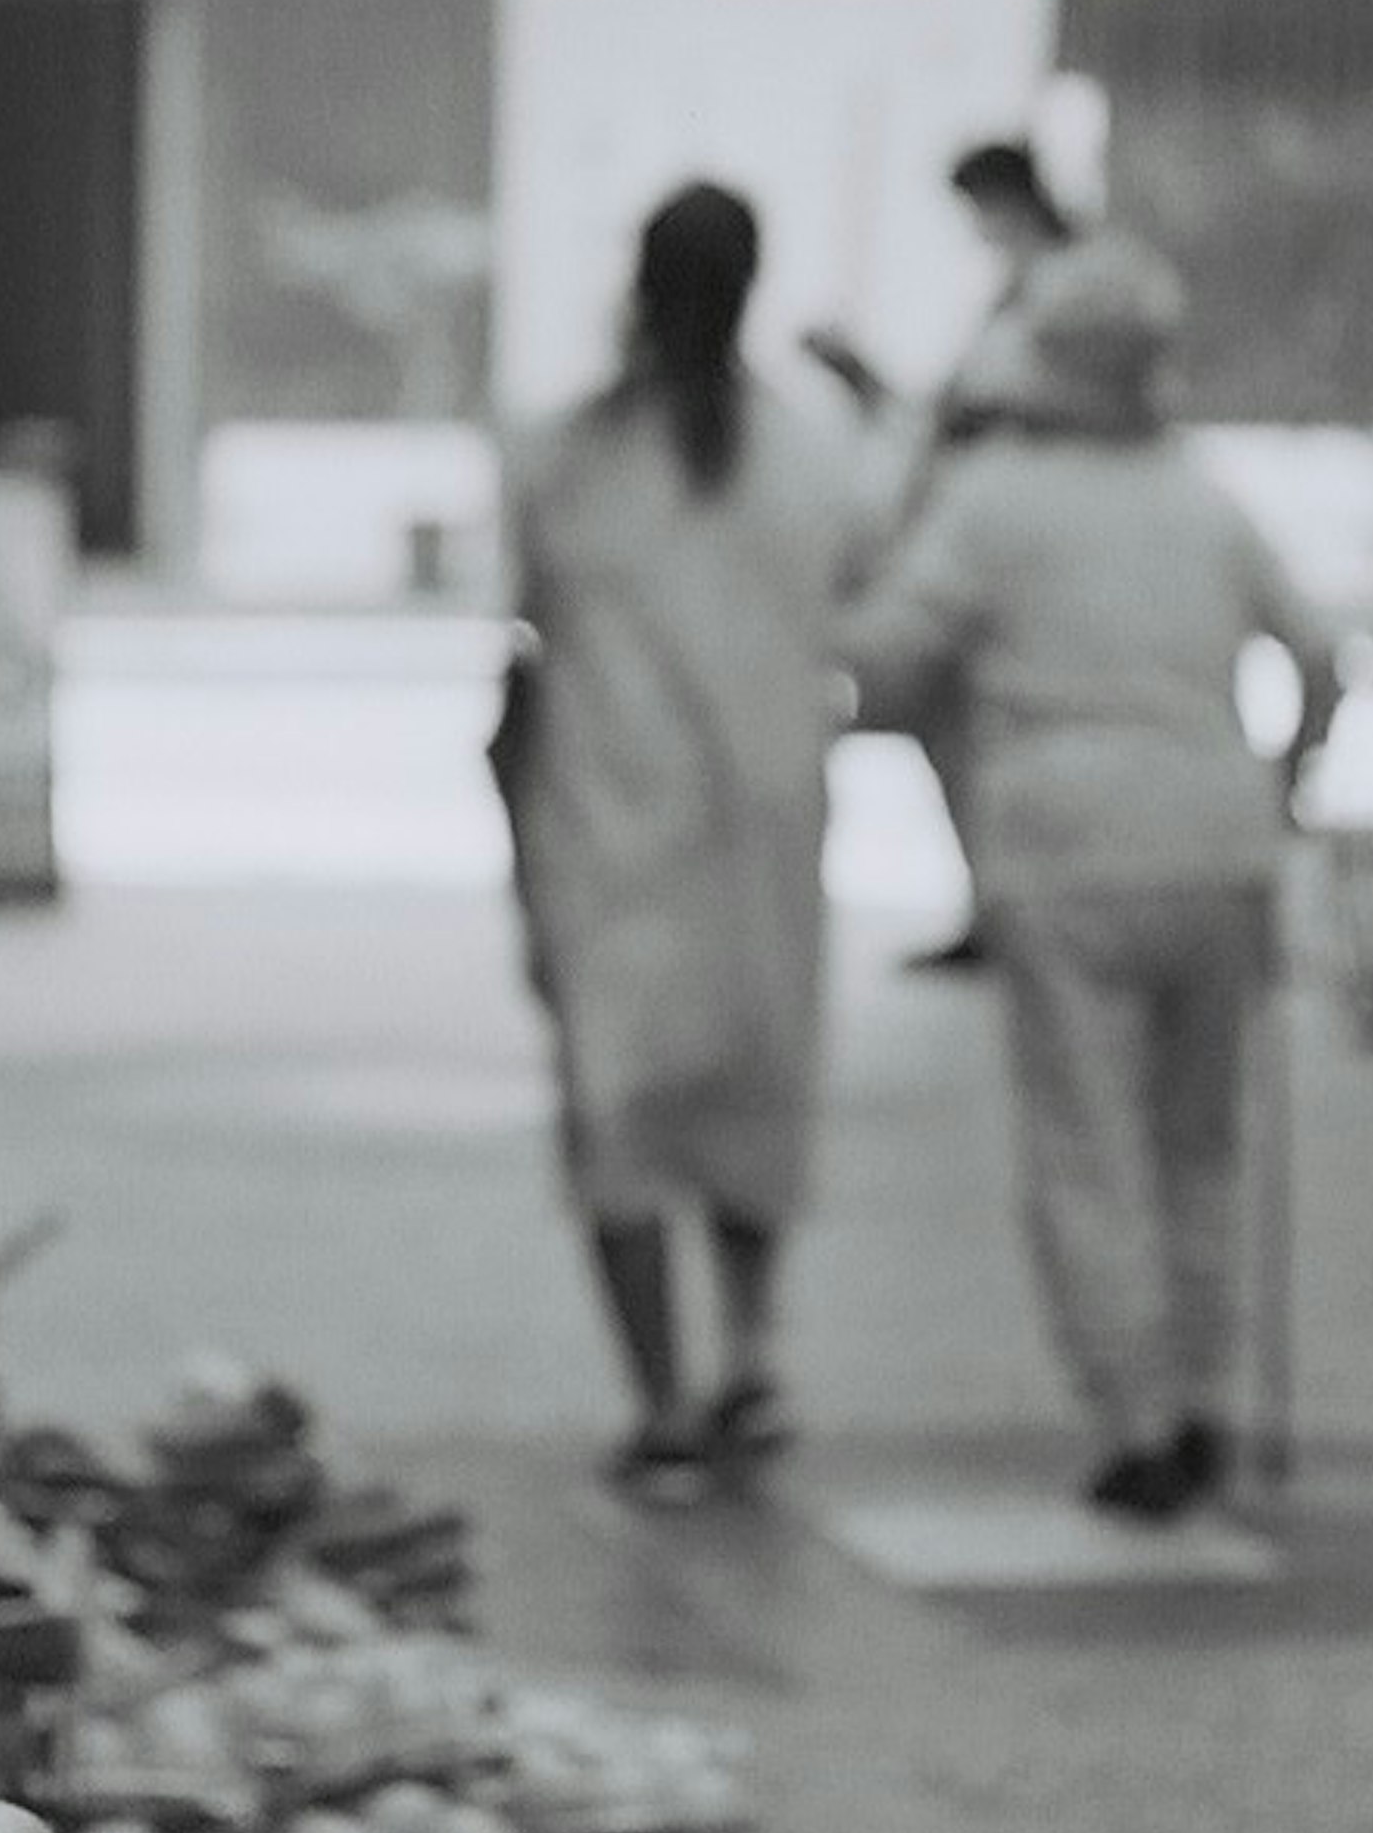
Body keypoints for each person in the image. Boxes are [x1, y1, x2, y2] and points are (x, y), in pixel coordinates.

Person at [843, 234, 1331, 1521]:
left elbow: (888, 659)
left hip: (1064, 844)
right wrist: (1284, 789)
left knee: (1088, 1141)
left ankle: (1136, 1418)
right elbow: (1322, 660)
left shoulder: (997, 496)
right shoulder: (1201, 494)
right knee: (1204, 1141)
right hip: (1218, 839)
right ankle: (1210, 1396)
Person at [506, 181, 877, 1499]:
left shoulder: (561, 454)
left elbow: (524, 654)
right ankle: (754, 1357)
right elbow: (874, 612)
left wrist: (514, 845)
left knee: (620, 1114)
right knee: (751, 1093)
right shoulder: (811, 453)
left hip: (606, 825)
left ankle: (662, 1396)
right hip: (764, 830)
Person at [805, 75, 1120, 967]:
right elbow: (947, 418)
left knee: (984, 729)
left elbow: (989, 415)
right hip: (994, 537)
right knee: (964, 731)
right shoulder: (1021, 295)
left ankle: (1018, 904)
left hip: (1035, 549)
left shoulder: (1064, 295)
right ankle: (1000, 902)